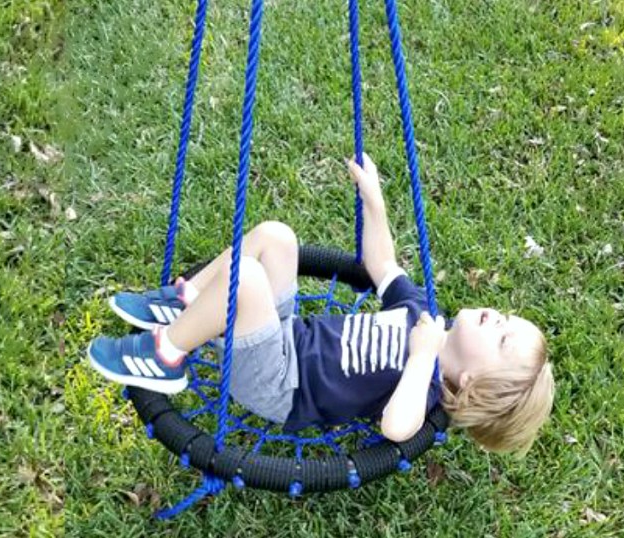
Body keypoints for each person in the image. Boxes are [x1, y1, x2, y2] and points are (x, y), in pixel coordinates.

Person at [87, 154, 554, 456]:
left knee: (247, 280)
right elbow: (382, 262)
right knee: (276, 237)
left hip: (281, 386)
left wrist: (425, 355)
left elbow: (395, 427)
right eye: (508, 319)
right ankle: (186, 302)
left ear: (471, 378)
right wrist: (375, 203)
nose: (497, 318)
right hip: (287, 336)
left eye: (503, 337)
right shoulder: (421, 314)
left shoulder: (425, 386)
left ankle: (165, 354)